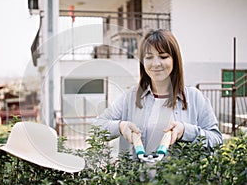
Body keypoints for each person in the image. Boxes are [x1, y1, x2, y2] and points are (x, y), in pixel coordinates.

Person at [94, 29, 222, 156]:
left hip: (180, 177)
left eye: (163, 56)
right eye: (149, 57)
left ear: (174, 59)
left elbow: (216, 140)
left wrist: (185, 131)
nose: (156, 63)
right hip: (136, 176)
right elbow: (96, 129)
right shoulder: (130, 97)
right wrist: (120, 127)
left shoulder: (195, 97)